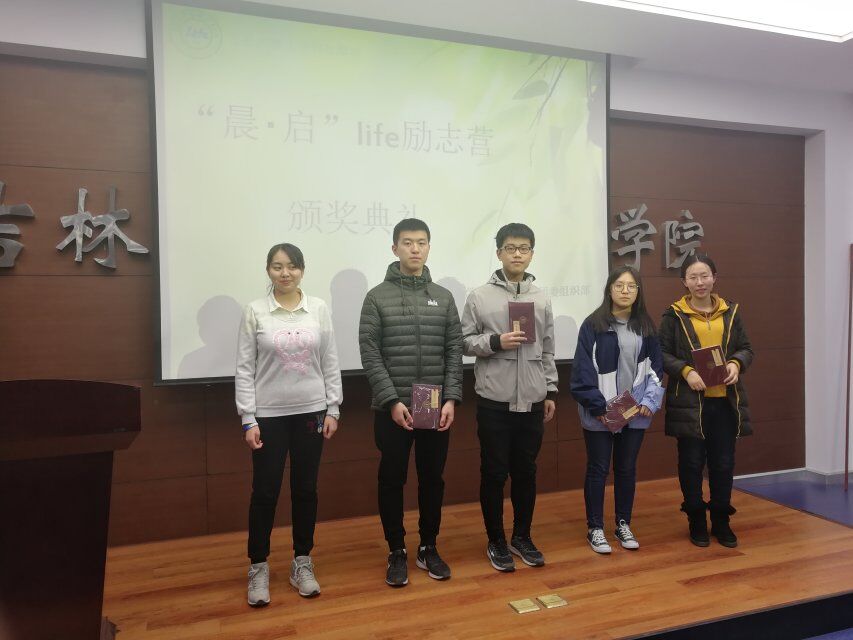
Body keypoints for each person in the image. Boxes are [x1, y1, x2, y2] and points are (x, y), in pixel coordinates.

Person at [235, 243, 342, 607]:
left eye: (292, 266)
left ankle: (302, 561)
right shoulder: (255, 311)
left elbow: (330, 359)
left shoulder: (318, 308)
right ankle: (258, 565)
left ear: (302, 270)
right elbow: (244, 368)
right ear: (268, 270)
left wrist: (333, 408)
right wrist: (248, 417)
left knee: (305, 489)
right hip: (267, 416)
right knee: (265, 492)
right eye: (278, 266)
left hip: (311, 411)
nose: (285, 273)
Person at [358, 218, 463, 587]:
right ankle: (396, 550)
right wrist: (390, 400)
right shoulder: (376, 297)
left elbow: (454, 350)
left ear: (429, 247)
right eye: (407, 242)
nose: (415, 249)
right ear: (395, 248)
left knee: (432, 479)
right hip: (394, 407)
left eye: (421, 242)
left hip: (433, 401)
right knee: (392, 479)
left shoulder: (443, 297)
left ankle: (428, 546)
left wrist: (451, 398)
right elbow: (370, 353)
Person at [460, 223, 557, 572]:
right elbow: (464, 342)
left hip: (532, 399)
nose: (517, 254)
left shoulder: (541, 298)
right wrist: (495, 341)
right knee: (494, 473)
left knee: (526, 473)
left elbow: (548, 347)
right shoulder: (479, 296)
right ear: (499, 252)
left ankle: (522, 536)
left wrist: (550, 389)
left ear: (532, 253)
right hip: (495, 401)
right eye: (511, 248)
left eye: (524, 248)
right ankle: (496, 540)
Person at [659, 254, 753, 548]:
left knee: (723, 463)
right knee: (691, 463)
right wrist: (686, 372)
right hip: (690, 403)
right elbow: (661, 353)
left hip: (725, 401)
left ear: (714, 278)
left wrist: (736, 363)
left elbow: (746, 348)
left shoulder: (731, 312)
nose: (700, 282)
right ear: (684, 282)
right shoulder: (674, 315)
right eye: (693, 277)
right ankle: (696, 519)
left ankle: (722, 520)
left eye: (704, 276)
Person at [570, 266, 664, 554]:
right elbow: (582, 369)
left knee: (626, 469)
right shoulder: (593, 325)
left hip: (633, 412)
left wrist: (649, 401)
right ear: (609, 290)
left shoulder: (646, 326)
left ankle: (623, 523)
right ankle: (595, 528)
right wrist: (598, 405)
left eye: (631, 286)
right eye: (619, 285)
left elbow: (656, 367)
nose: (625, 291)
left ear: (638, 292)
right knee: (598, 469)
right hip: (600, 412)